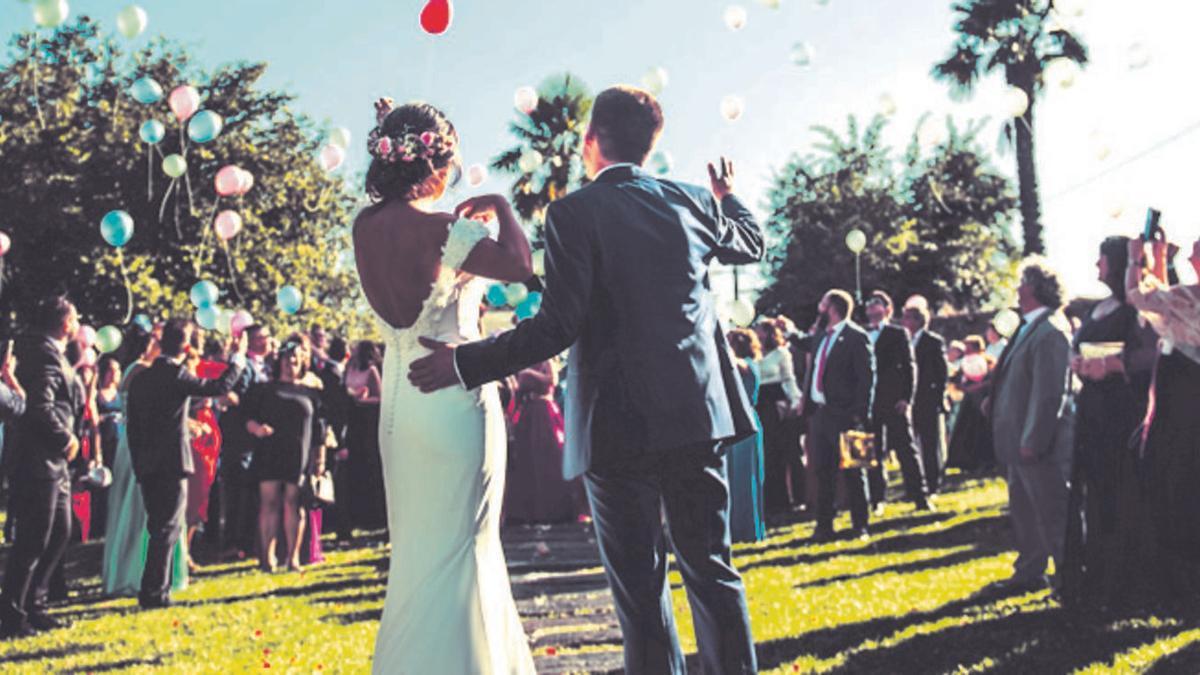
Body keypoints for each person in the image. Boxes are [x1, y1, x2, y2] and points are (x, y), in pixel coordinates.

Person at [406, 86, 762, 675]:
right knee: (713, 572)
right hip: (696, 416)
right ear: (651, 146)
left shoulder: (573, 213)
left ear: (590, 142)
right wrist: (728, 195)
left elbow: (557, 326)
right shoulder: (697, 201)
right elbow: (750, 244)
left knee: (641, 594)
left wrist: (464, 362)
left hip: (616, 426)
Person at [353, 98, 538, 674]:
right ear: (435, 162)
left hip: (401, 406)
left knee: (416, 553)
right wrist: (503, 206)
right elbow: (520, 265)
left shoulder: (364, 225)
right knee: (466, 548)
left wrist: (394, 119)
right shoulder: (443, 230)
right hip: (453, 403)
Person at [1058, 236, 1157, 606]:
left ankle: (1126, 579)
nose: (1096, 265)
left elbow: (1149, 355)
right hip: (1092, 411)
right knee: (1094, 490)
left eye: (1101, 259)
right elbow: (1077, 343)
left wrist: (1111, 365)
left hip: (1121, 411)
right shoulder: (1097, 308)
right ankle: (1095, 572)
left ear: (1116, 263)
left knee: (1122, 488)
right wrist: (1077, 362)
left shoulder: (1137, 307)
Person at [125, 319, 246, 609]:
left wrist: (138, 461)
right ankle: (155, 592)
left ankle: (153, 587)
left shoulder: (142, 378)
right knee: (167, 529)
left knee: (158, 528)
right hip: (170, 462)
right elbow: (218, 386)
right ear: (187, 345)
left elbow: (133, 427)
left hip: (146, 462)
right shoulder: (175, 375)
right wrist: (237, 361)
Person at [988, 258, 1074, 593]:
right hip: (1017, 439)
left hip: (1037, 443)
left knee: (1052, 512)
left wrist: (1032, 439)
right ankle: (1029, 572)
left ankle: (1070, 576)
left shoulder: (1051, 330)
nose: (1017, 286)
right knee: (1025, 512)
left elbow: (1049, 392)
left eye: (1023, 280)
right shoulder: (1029, 326)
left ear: (1037, 287)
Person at [0, 296, 83, 638]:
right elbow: (39, 406)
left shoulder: (55, 355)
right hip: (40, 461)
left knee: (60, 532)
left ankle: (37, 604)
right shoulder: (45, 356)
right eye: (75, 318)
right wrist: (65, 437)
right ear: (66, 324)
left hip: (56, 464)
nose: (78, 324)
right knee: (34, 540)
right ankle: (13, 614)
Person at [1125, 234, 1200, 602]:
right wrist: (1157, 256)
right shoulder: (1186, 300)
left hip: (1183, 401)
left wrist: (1135, 258)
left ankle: (1182, 578)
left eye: (1196, 250)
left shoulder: (1187, 300)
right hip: (1186, 398)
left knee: (1178, 481)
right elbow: (1163, 298)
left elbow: (1138, 296)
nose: (1190, 254)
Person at [102, 325, 188, 598]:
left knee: (150, 514)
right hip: (144, 446)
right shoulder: (141, 371)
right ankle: (135, 575)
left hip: (140, 443)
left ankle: (153, 576)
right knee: (143, 514)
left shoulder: (143, 372)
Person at [242, 339, 326, 572]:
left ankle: (293, 558)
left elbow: (320, 428)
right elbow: (247, 418)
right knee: (269, 503)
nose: (291, 363)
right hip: (269, 451)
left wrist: (319, 460)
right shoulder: (264, 390)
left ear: (303, 363)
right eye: (287, 359)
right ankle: (267, 558)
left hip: (298, 454)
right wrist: (257, 429)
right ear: (279, 361)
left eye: (296, 359)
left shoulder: (312, 393)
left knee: (294, 503)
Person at [801, 290, 876, 542]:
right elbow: (807, 350)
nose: (819, 307)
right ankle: (824, 526)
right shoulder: (822, 336)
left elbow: (867, 377)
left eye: (822, 302)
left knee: (855, 471)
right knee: (824, 472)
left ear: (832, 306)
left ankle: (860, 526)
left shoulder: (856, 336)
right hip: (821, 414)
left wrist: (859, 413)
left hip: (846, 414)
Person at [864, 291, 931, 513]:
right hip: (870, 402)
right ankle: (877, 499)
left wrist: (906, 398)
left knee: (906, 449)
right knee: (873, 452)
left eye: (877, 305)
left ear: (888, 309)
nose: (872, 310)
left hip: (894, 400)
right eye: (869, 306)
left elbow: (910, 367)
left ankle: (920, 496)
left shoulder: (897, 333)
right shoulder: (862, 334)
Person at [755, 319, 802, 517]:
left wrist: (794, 401)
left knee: (786, 452)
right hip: (759, 406)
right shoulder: (754, 355)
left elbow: (788, 378)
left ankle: (794, 498)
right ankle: (772, 501)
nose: (757, 333)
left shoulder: (781, 353)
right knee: (768, 454)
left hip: (777, 405)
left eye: (760, 330)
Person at [902, 302, 950, 494]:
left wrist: (937, 397)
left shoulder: (933, 341)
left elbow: (941, 373)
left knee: (930, 445)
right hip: (911, 401)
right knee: (913, 444)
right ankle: (915, 484)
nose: (903, 321)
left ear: (917, 320)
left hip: (928, 400)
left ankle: (932, 483)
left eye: (907, 317)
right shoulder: (906, 341)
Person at [726, 328, 767, 543]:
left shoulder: (746, 365)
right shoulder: (739, 366)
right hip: (733, 424)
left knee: (744, 478)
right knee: (733, 479)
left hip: (745, 424)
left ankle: (746, 529)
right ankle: (734, 528)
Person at [344, 340, 385, 531]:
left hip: (367, 419)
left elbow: (380, 398)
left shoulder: (371, 370)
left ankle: (373, 516)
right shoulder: (349, 367)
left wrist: (363, 400)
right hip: (352, 417)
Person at [946, 336, 997, 473]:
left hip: (982, 402)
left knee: (982, 432)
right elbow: (957, 379)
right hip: (969, 403)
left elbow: (993, 380)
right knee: (966, 432)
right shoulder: (965, 363)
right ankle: (966, 462)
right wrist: (961, 386)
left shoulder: (988, 361)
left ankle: (985, 463)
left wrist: (977, 386)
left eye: (968, 347)